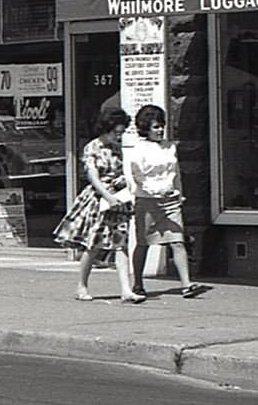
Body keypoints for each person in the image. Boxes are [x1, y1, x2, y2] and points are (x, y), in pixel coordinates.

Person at [53, 105, 141, 303]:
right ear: (105, 129)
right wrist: (107, 196)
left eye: (121, 133)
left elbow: (123, 172)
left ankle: (126, 289)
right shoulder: (92, 148)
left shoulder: (118, 149)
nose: (118, 137)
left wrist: (123, 183)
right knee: (93, 245)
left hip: (118, 199)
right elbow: (93, 177)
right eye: (116, 133)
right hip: (98, 200)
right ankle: (82, 285)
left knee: (121, 245)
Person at [124, 104, 203, 299]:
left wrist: (179, 193)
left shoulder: (169, 147)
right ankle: (138, 283)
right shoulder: (138, 149)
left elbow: (175, 172)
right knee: (144, 243)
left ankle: (186, 284)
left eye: (161, 126)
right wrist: (152, 190)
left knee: (177, 240)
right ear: (145, 128)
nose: (159, 130)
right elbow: (136, 176)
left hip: (170, 200)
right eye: (155, 127)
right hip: (147, 200)